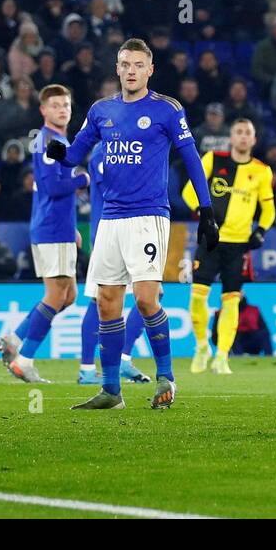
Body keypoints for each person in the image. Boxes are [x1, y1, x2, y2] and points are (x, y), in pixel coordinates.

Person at [46, 39, 218, 410]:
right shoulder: (101, 110)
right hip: (110, 218)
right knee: (107, 302)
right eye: (125, 64)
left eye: (138, 65)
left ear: (150, 69)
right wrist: (59, 156)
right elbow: (76, 154)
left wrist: (206, 209)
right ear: (117, 68)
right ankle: (111, 391)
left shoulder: (167, 110)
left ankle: (166, 378)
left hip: (148, 215)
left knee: (144, 298)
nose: (131, 71)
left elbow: (191, 158)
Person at [0, 84, 89, 383]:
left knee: (69, 295)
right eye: (56, 105)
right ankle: (24, 358)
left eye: (66, 104)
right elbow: (51, 187)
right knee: (56, 294)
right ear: (43, 110)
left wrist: (71, 227)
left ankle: (15, 339)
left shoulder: (56, 139)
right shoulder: (48, 141)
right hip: (51, 228)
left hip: (58, 227)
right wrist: (82, 179)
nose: (63, 109)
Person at [181, 117, 275, 374]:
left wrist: (261, 231)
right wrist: (204, 216)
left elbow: (268, 209)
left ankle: (222, 356)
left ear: (254, 140)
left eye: (248, 132)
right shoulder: (213, 159)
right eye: (239, 132)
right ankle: (202, 347)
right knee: (198, 296)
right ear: (231, 137)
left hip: (238, 246)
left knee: (231, 301)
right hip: (210, 241)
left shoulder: (262, 171)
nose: (244, 136)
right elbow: (189, 192)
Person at [76, 140, 152, 386]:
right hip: (110, 231)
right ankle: (90, 368)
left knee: (150, 293)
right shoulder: (103, 150)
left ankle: (120, 360)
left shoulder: (129, 147)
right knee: (100, 298)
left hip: (132, 230)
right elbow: (114, 186)